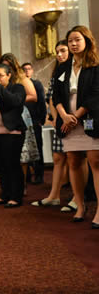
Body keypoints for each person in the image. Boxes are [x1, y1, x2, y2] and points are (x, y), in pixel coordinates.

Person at [52, 25, 99, 226]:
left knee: (95, 161)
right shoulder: (63, 67)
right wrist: (64, 115)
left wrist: (76, 116)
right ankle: (80, 206)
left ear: (86, 41)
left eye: (77, 39)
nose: (73, 43)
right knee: (72, 161)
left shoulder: (95, 65)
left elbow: (95, 95)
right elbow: (56, 95)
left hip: (88, 119)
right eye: (70, 40)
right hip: (67, 121)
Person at [31, 40, 84, 210]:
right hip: (60, 120)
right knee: (58, 157)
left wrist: (70, 118)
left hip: (76, 119)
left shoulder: (78, 68)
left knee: (77, 158)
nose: (59, 55)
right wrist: (55, 119)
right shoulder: (59, 70)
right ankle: (54, 195)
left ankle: (78, 198)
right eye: (57, 52)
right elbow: (53, 98)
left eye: (62, 50)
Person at [0, 63, 27, 208]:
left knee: (12, 164)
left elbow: (15, 102)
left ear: (9, 75)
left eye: (0, 75)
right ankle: (5, 194)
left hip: (11, 132)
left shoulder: (17, 88)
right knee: (0, 165)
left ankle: (16, 197)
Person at [0, 53, 39, 194]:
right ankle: (10, 185)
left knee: (21, 153)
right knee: (7, 153)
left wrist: (16, 99)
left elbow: (33, 96)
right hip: (4, 116)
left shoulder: (21, 77)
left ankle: (22, 185)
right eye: (4, 65)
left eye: (8, 65)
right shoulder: (0, 79)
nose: (6, 67)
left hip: (20, 114)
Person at [22, 62, 47, 184]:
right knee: (25, 150)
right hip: (22, 121)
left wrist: (41, 120)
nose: (27, 71)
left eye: (29, 69)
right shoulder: (20, 85)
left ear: (32, 71)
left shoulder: (36, 84)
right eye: (24, 69)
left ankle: (39, 175)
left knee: (37, 148)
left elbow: (41, 101)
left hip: (35, 120)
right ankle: (26, 176)